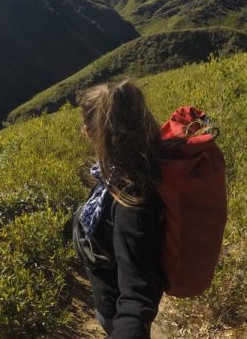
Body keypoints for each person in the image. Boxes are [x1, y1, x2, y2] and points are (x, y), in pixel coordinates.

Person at [76, 79, 165, 338]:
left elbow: (137, 299)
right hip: (110, 303)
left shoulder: (131, 202)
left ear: (93, 133)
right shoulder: (121, 175)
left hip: (115, 314)